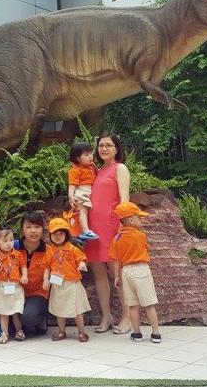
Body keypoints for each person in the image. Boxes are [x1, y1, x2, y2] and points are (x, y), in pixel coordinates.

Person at [83, 132, 132, 334]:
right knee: (98, 273)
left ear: (117, 148)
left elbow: (124, 200)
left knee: (116, 272)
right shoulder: (96, 170)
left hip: (112, 227)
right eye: (101, 145)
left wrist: (122, 225)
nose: (103, 149)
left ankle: (127, 317)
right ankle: (106, 316)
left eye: (108, 145)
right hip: (93, 228)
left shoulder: (120, 168)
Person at [109, 201, 161, 343]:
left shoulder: (116, 238)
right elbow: (146, 249)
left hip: (125, 272)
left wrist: (117, 276)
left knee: (132, 305)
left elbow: (115, 260)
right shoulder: (140, 236)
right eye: (139, 217)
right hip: (141, 269)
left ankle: (137, 333)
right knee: (149, 303)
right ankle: (155, 333)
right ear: (131, 220)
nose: (141, 220)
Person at [41, 217, 90, 342]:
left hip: (72, 284)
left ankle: (81, 332)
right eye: (54, 234)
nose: (58, 237)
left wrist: (82, 265)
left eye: (61, 234)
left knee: (78, 310)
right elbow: (46, 267)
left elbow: (81, 259)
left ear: (66, 234)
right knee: (59, 309)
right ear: (50, 235)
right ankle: (61, 331)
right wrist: (46, 280)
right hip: (58, 284)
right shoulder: (50, 251)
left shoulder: (73, 249)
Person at [0, 227, 28, 344]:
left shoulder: (18, 254)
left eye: (11, 240)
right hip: (1, 286)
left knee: (16, 311)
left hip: (16, 286)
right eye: (5, 241)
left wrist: (24, 275)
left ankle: (19, 330)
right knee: (3, 312)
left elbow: (23, 266)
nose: (9, 243)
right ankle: (5, 332)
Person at [16, 211, 50, 337]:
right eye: (28, 227)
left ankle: (39, 318)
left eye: (37, 227)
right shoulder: (13, 246)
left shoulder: (48, 251)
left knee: (29, 317)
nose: (33, 231)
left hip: (37, 293)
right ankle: (18, 323)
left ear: (43, 229)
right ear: (22, 229)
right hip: (16, 292)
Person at [67, 141, 99, 242]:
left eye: (91, 153)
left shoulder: (91, 166)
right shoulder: (75, 170)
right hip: (82, 191)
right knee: (83, 210)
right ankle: (85, 231)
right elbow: (72, 185)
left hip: (89, 190)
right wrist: (71, 196)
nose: (90, 156)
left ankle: (80, 233)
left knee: (85, 212)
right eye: (86, 154)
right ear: (78, 159)